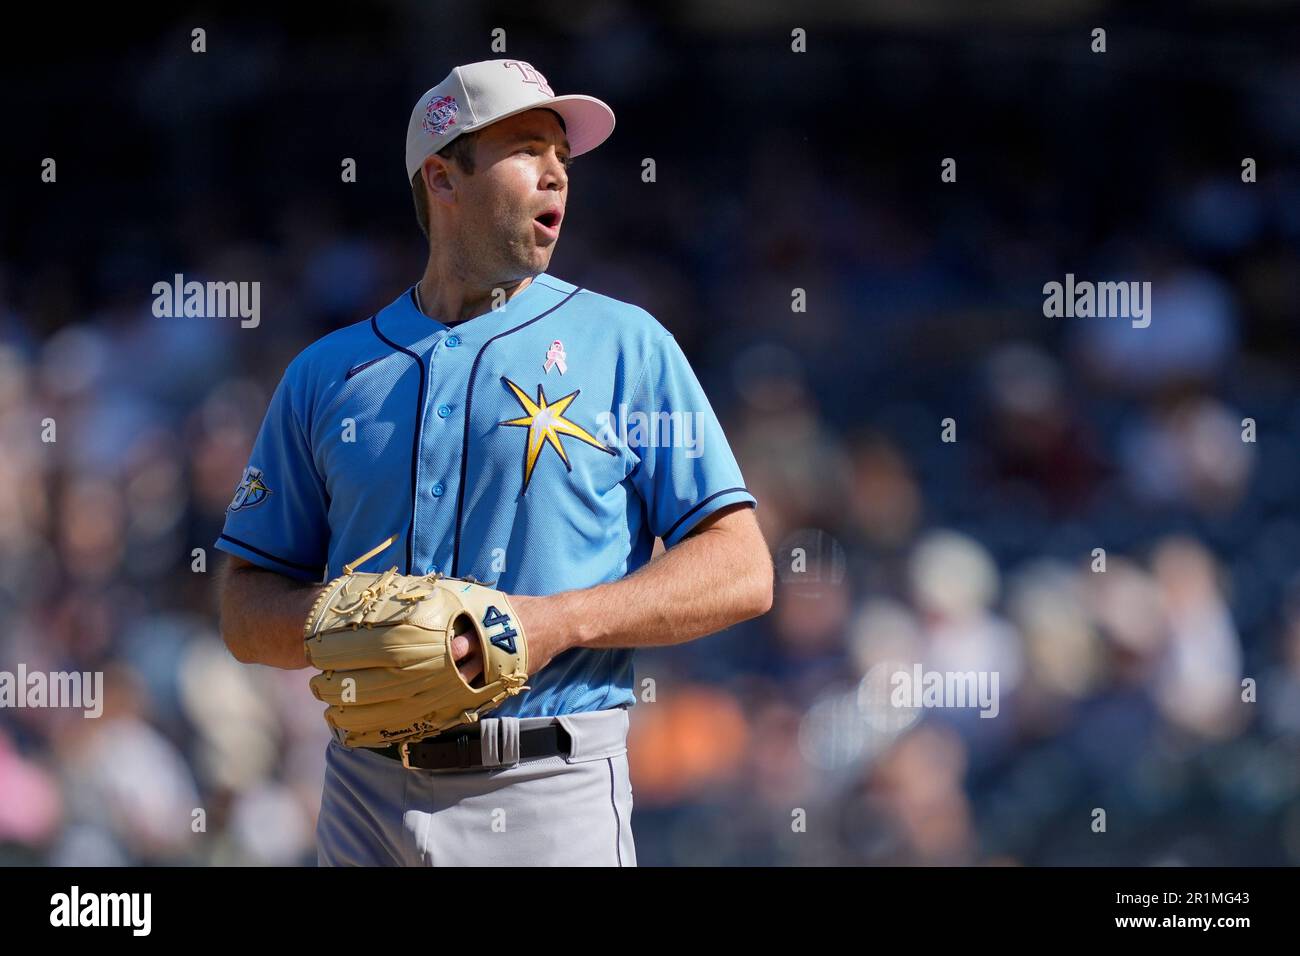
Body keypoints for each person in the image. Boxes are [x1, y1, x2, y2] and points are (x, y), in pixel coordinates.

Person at [215, 59, 773, 866]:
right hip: (362, 792)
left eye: (563, 157)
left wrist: (553, 623)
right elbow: (243, 607)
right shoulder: (325, 376)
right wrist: (352, 626)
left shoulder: (625, 345)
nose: (556, 173)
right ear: (442, 177)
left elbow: (742, 569)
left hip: (547, 787)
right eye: (526, 147)